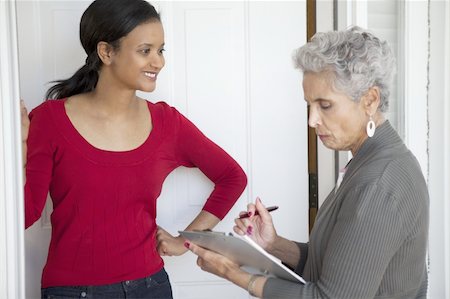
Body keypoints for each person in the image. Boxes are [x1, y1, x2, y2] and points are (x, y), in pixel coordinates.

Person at [21, 0, 247, 298]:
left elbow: (232, 177)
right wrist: (21, 152)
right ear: (106, 52)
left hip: (150, 287)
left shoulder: (168, 123)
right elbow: (24, 214)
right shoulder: (49, 120)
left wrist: (187, 241)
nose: (159, 62)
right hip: (71, 291)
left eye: (161, 50)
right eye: (145, 51)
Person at [186, 26, 429, 299]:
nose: (312, 120)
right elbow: (334, 266)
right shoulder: (369, 163)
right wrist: (273, 245)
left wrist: (233, 273)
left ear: (370, 100)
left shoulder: (377, 183)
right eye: (309, 105)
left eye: (325, 105)